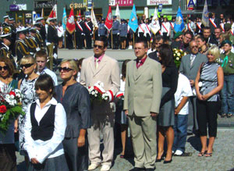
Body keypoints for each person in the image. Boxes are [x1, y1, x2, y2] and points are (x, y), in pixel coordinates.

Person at [80, 37, 120, 171]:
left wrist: (108, 94)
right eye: (95, 45)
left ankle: (107, 160)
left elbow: (116, 84)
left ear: (105, 48)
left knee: (108, 134)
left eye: (99, 46)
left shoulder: (112, 63)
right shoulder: (86, 62)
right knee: (92, 133)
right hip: (91, 105)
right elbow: (82, 83)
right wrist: (87, 93)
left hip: (105, 104)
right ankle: (94, 159)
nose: (96, 48)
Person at [124, 39, 162, 171]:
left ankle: (149, 163)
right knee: (135, 136)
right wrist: (126, 106)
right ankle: (139, 162)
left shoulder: (154, 65)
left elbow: (157, 88)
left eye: (139, 48)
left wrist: (155, 108)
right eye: (135, 48)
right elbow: (127, 87)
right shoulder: (130, 65)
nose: (137, 50)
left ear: (146, 49)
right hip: (133, 107)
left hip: (147, 107)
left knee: (150, 137)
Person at [24, 74, 69, 171]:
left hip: (53, 156)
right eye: (37, 89)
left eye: (42, 89)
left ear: (50, 89)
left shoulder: (57, 107)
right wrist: (31, 153)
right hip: (34, 155)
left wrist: (42, 155)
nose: (39, 92)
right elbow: (27, 130)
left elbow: (59, 134)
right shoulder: (31, 106)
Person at [55, 59, 91, 171]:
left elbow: (85, 114)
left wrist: (82, 135)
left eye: (66, 69)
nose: (62, 71)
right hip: (59, 133)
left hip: (74, 133)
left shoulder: (80, 90)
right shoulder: (57, 89)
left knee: (76, 164)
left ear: (74, 72)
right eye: (60, 69)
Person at [195, 45, 223, 157]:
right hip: (201, 96)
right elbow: (197, 80)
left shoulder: (218, 68)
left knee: (212, 122)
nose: (209, 56)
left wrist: (208, 95)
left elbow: (220, 85)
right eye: (208, 54)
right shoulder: (202, 65)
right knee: (201, 122)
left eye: (211, 54)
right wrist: (198, 93)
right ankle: (203, 146)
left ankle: (210, 147)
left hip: (212, 97)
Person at [179, 40, 207, 134]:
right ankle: (189, 128)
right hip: (187, 87)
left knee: (197, 108)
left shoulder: (203, 58)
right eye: (193, 47)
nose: (195, 48)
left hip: (198, 87)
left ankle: (198, 127)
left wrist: (195, 81)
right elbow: (181, 72)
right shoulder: (184, 58)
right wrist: (186, 82)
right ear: (189, 48)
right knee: (189, 108)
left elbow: (205, 73)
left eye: (196, 46)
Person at [156, 44, 178, 164]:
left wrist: (162, 100)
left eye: (160, 52)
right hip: (157, 96)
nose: (158, 54)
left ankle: (169, 151)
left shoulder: (172, 68)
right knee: (159, 126)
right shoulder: (157, 66)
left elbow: (173, 88)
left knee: (168, 125)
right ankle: (160, 151)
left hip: (167, 98)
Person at [18, 55, 39, 159]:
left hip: (36, 117)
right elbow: (19, 102)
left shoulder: (40, 80)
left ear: (34, 66)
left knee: (36, 147)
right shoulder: (21, 82)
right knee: (26, 148)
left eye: (27, 65)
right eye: (22, 66)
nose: (24, 68)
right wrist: (17, 121)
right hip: (23, 118)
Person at [0, 56, 18, 171]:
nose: (2, 70)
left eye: (5, 67)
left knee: (10, 152)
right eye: (0, 68)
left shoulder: (15, 83)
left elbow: (18, 103)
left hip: (11, 121)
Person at [173, 72, 193, 156]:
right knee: (172, 129)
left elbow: (186, 95)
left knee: (181, 129)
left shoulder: (183, 79)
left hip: (182, 108)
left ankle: (180, 147)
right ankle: (173, 147)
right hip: (171, 108)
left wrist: (178, 108)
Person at [115, 59, 131, 158]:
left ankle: (133, 149)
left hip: (131, 104)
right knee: (123, 127)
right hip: (121, 105)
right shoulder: (120, 78)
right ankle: (124, 149)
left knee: (134, 128)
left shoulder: (134, 77)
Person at [219, 40, 234, 118]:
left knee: (230, 94)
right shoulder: (221, 56)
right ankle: (224, 110)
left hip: (231, 75)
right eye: (224, 45)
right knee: (223, 94)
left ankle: (231, 110)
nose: (225, 47)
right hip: (222, 76)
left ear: (230, 47)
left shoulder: (232, 56)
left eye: (227, 45)